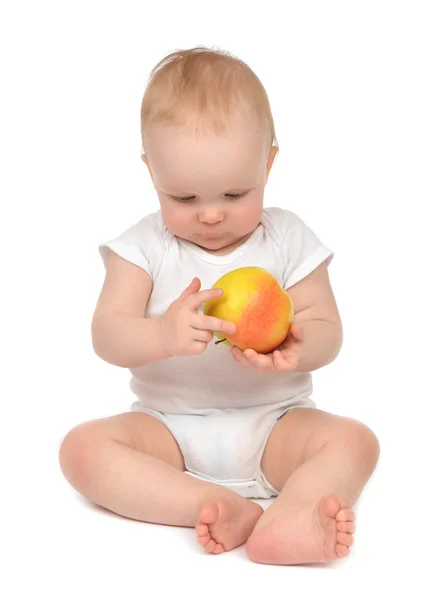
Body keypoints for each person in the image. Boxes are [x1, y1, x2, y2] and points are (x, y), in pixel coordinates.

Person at [59, 46, 380, 565]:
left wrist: (298, 344)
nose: (210, 215)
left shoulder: (287, 239)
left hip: (276, 423)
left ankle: (295, 513)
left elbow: (328, 330)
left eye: (234, 194)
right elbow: (107, 334)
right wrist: (161, 336)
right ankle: (208, 504)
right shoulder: (143, 248)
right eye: (183, 198)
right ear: (150, 171)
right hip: (168, 430)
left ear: (269, 163)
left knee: (357, 440)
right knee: (80, 450)